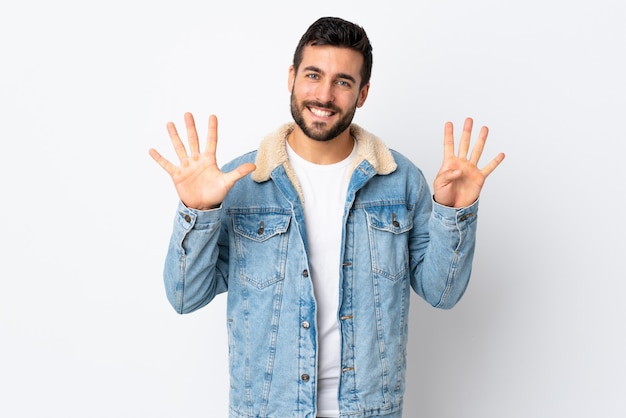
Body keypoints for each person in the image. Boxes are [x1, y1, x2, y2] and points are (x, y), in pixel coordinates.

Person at [149, 16, 504, 418]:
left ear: (363, 93)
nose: (324, 94)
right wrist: (198, 211)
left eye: (343, 82)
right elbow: (184, 297)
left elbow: (443, 293)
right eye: (313, 75)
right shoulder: (240, 183)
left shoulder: (401, 182)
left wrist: (453, 213)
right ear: (291, 77)